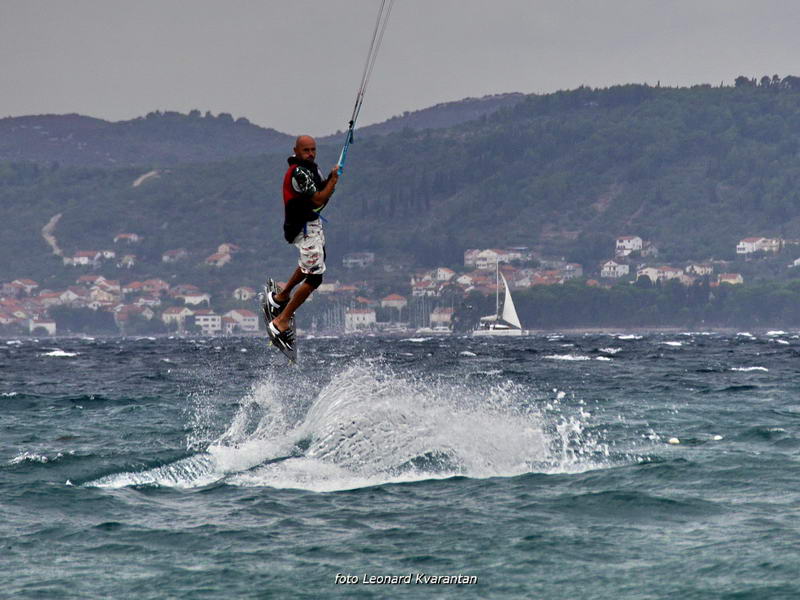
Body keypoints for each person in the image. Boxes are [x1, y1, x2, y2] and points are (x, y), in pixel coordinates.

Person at [266, 135, 339, 344]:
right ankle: (281, 321)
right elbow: (318, 199)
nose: (310, 154)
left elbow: (320, 195)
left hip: (312, 226)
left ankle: (280, 298)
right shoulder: (299, 172)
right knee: (315, 278)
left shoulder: (311, 169)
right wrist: (332, 183)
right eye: (306, 150)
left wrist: (332, 180)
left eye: (313, 149)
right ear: (295, 151)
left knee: (313, 265)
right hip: (304, 228)